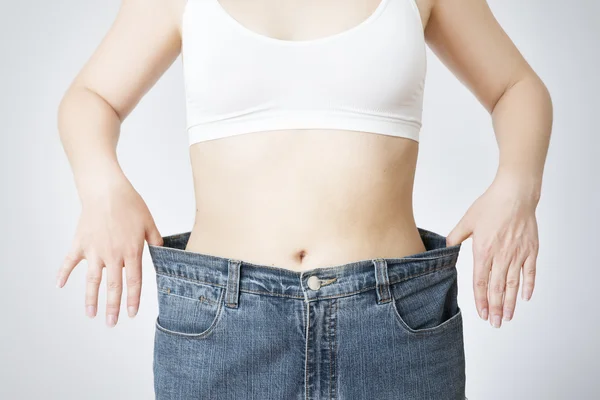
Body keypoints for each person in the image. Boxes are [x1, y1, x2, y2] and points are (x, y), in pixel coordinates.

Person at [55, 0, 552, 398]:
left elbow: (516, 86)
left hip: (393, 327)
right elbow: (92, 95)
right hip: (223, 329)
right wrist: (102, 188)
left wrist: (517, 188)